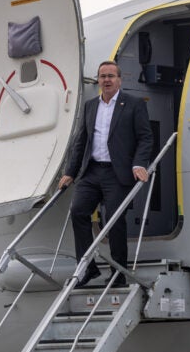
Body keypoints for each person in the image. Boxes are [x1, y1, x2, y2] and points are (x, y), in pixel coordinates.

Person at [59, 60, 153, 288]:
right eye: (103, 76)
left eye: (111, 76)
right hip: (91, 171)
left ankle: (118, 272)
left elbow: (145, 137)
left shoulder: (133, 104)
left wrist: (139, 164)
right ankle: (87, 268)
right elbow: (81, 141)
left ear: (119, 79)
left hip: (117, 172)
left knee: (114, 219)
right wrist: (70, 172)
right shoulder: (91, 106)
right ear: (99, 80)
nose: (107, 80)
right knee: (79, 212)